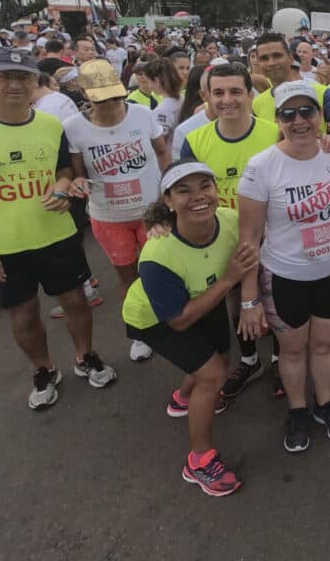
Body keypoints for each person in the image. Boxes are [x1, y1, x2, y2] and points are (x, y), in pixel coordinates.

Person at [0, 47, 115, 409]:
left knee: (76, 302)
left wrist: (64, 188)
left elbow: (65, 171)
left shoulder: (50, 125)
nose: (15, 85)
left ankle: (85, 356)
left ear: (36, 81)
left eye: (23, 77)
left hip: (58, 235)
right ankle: (44, 368)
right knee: (24, 313)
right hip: (5, 245)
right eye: (6, 76)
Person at [122, 160, 256, 496]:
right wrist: (229, 280)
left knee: (221, 359)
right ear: (168, 200)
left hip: (204, 295)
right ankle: (199, 462)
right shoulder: (158, 254)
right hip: (155, 318)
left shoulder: (227, 219)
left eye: (204, 186)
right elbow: (178, 320)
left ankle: (183, 398)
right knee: (213, 375)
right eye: (184, 190)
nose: (198, 197)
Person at [237, 81, 330, 453]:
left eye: (307, 111)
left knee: (323, 345)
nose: (299, 121)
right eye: (289, 113)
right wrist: (249, 299)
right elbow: (249, 239)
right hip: (285, 275)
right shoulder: (261, 166)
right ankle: (298, 410)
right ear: (277, 119)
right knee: (291, 351)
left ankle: (325, 403)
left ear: (320, 115)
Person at [182, 63, 280, 397]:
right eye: (218, 92)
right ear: (206, 97)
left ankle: (280, 359)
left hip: (275, 237)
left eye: (236, 91)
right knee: (237, 303)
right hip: (226, 241)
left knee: (276, 300)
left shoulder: (273, 132)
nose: (227, 100)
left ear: (249, 94)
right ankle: (251, 360)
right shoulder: (194, 141)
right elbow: (185, 192)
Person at [64, 59, 171, 361]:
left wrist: (168, 191)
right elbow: (77, 173)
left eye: (115, 96)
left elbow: (162, 151)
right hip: (109, 217)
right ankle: (138, 332)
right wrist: (78, 184)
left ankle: (167, 320)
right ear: (84, 94)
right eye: (102, 98)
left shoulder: (142, 114)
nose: (111, 104)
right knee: (128, 279)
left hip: (151, 211)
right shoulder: (73, 128)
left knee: (160, 270)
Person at [143, 57, 183, 141]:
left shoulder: (161, 110)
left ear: (156, 81)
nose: (148, 86)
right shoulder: (181, 98)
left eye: (148, 81)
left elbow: (160, 143)